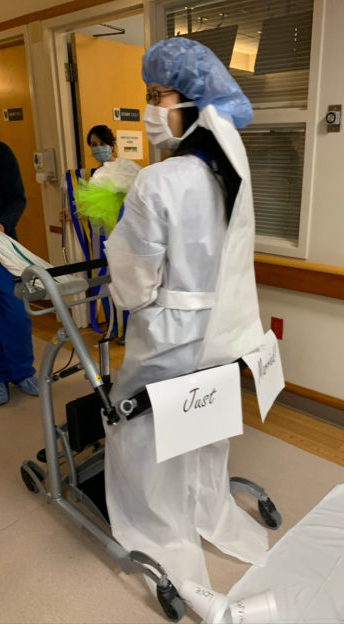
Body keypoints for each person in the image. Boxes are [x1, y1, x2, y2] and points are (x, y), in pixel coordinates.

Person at [102, 37, 268, 589]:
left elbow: (132, 283)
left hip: (171, 333)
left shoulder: (159, 180)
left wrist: (118, 218)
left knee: (146, 435)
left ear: (192, 102)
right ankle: (205, 510)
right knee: (204, 428)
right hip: (224, 330)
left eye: (156, 95)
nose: (150, 109)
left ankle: (160, 527)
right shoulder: (231, 168)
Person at [0, 130, 38, 406]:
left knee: (16, 313)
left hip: (0, 250)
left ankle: (22, 372)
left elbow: (17, 198)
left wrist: (3, 224)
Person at [80, 125, 141, 344]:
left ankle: (129, 328)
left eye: (101, 144)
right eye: (93, 145)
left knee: (125, 280)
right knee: (105, 279)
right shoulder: (95, 174)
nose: (98, 149)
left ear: (112, 144)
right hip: (103, 236)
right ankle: (113, 326)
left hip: (126, 234)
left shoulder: (128, 168)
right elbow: (88, 207)